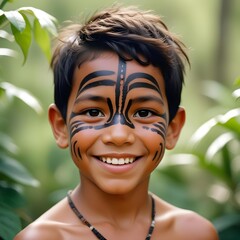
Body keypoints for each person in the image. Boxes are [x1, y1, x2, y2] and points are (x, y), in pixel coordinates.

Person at [14, 5, 219, 240]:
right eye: (93, 112)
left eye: (143, 113)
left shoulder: (194, 234)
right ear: (61, 126)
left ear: (173, 128)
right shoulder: (42, 238)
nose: (119, 135)